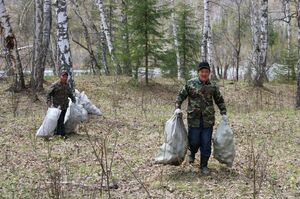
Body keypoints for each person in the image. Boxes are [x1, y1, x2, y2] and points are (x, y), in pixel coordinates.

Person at [175, 61, 227, 175]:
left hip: (208, 120)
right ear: (198, 72)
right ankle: (192, 153)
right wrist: (177, 107)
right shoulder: (190, 83)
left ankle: (204, 166)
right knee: (194, 142)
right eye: (202, 71)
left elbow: (219, 100)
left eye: (206, 72)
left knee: (206, 143)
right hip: (194, 119)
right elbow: (180, 96)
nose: (204, 74)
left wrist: (223, 112)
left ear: (209, 73)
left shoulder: (212, 86)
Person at [47, 70, 76, 139]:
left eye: (66, 76)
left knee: (61, 120)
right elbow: (49, 94)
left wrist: (73, 99)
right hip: (57, 105)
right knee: (60, 120)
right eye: (63, 76)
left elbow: (70, 93)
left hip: (65, 105)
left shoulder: (67, 85)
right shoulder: (55, 85)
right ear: (60, 76)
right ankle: (62, 134)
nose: (64, 78)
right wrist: (49, 102)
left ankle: (57, 132)